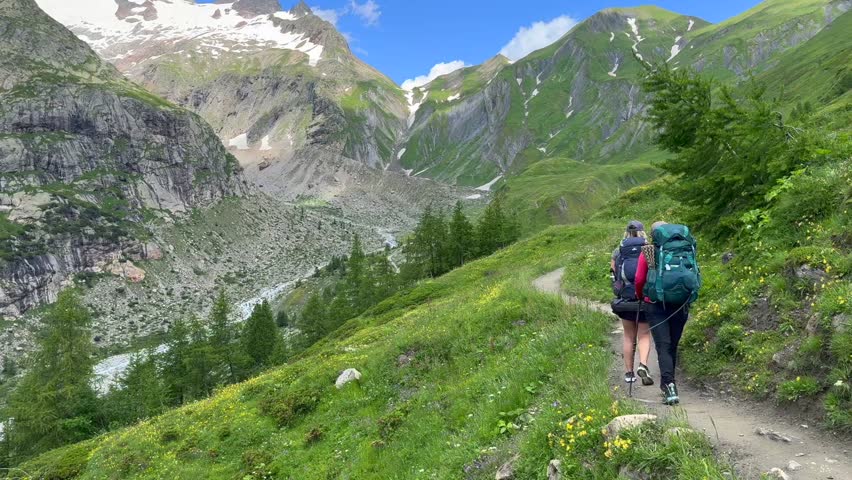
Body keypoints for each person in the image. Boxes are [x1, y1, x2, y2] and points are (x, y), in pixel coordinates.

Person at [635, 221, 698, 406]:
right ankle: (669, 382)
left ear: (655, 235)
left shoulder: (649, 251)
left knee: (663, 345)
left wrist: (641, 296)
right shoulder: (686, 249)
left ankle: (669, 387)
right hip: (681, 302)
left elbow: (639, 279)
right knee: (673, 345)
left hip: (655, 304)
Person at [610, 220, 654, 387]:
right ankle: (643, 365)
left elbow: (614, 274)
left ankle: (629, 373)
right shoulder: (648, 247)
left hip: (626, 299)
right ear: (642, 232)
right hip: (644, 297)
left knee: (629, 336)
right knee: (644, 334)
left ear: (626, 232)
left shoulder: (619, 250)